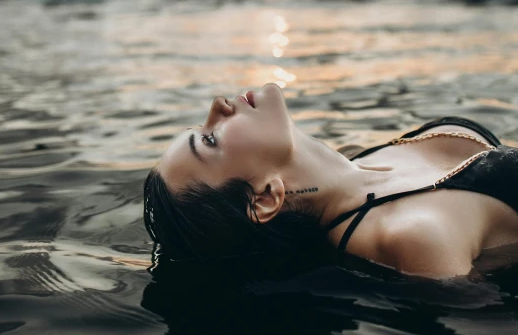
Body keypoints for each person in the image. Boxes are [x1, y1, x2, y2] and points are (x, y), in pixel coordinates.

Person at [144, 83, 518, 279]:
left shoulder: (356, 155)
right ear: (262, 199)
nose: (217, 107)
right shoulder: (411, 236)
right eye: (210, 139)